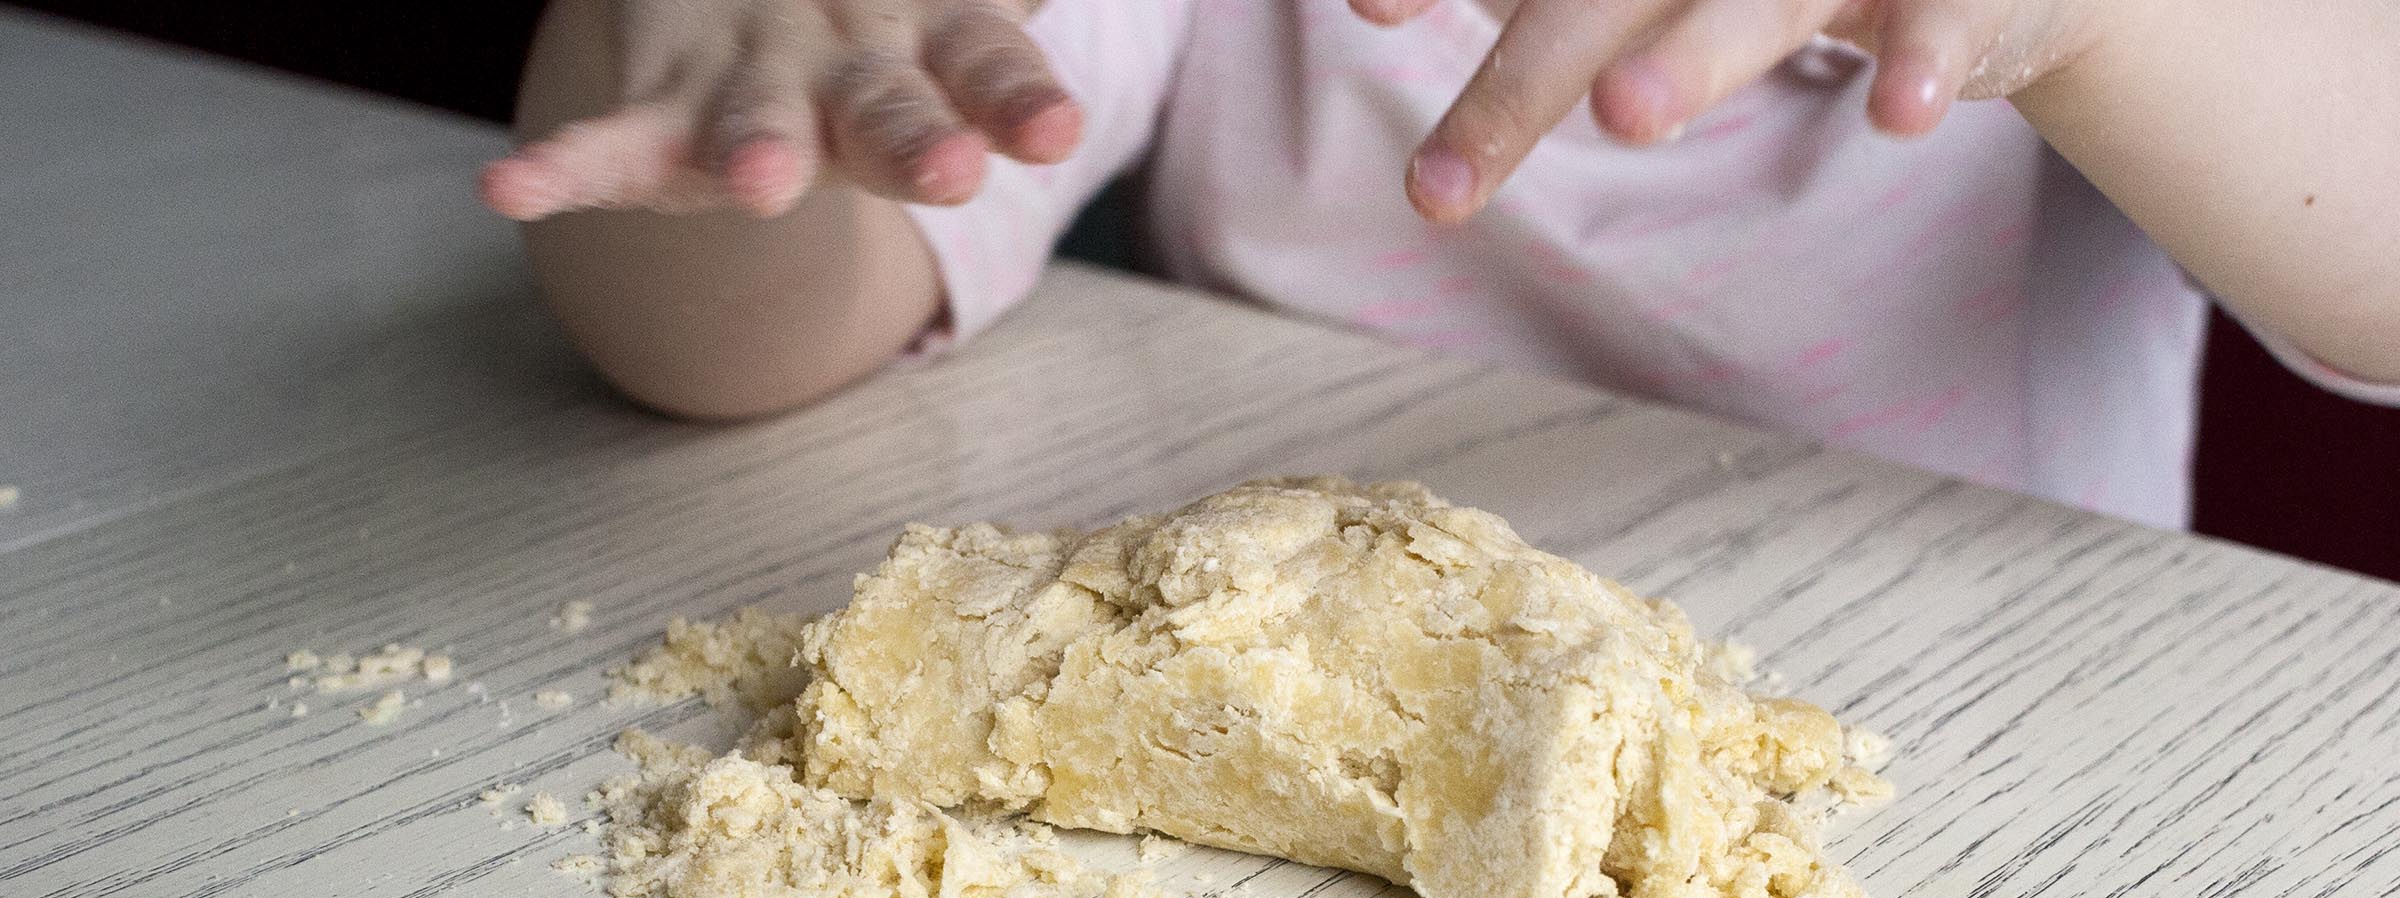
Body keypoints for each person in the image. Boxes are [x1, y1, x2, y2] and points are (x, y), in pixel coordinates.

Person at [480, 0, 2400, 529]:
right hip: (1288, 775)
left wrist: (2108, 25)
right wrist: (733, 89)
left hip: (1974, 822)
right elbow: (730, 355)